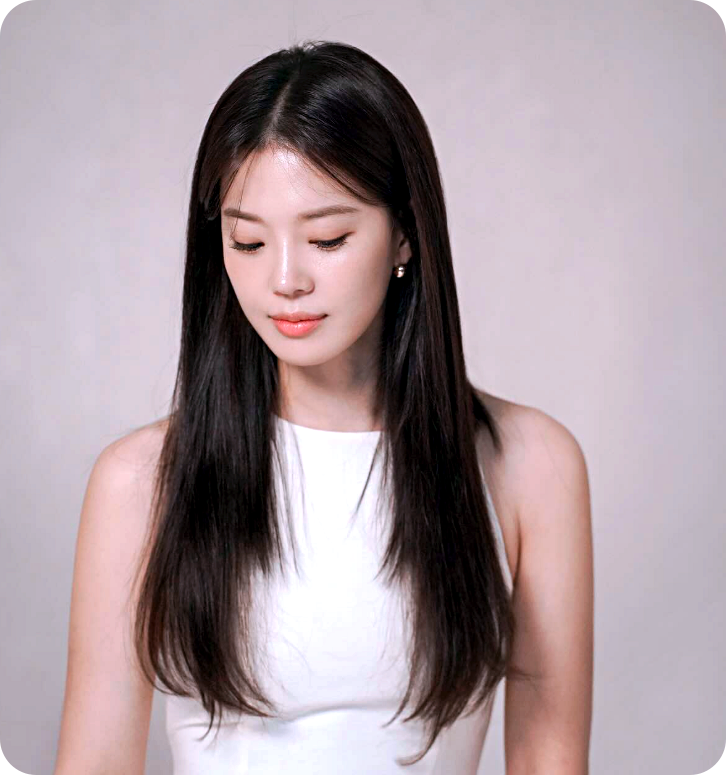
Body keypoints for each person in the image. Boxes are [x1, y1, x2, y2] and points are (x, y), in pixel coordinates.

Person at [54, 40, 593, 775]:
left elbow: (548, 755)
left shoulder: (529, 466)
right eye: (248, 242)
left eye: (327, 238)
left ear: (404, 234)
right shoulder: (140, 481)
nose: (285, 280)